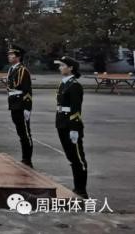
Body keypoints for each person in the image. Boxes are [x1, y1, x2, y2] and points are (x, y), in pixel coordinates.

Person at [54, 56, 89, 198]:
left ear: (71, 68)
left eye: (62, 65)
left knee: (78, 158)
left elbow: (76, 109)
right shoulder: (64, 84)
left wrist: (74, 129)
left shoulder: (75, 86)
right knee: (71, 157)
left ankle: (82, 190)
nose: (60, 68)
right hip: (62, 123)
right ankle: (77, 188)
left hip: (70, 125)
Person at [6, 46, 33, 168]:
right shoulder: (12, 69)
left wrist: (27, 108)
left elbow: (27, 91)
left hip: (21, 104)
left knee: (25, 133)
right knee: (20, 132)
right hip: (13, 103)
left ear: (18, 57)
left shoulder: (23, 70)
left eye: (12, 55)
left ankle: (27, 159)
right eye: (9, 54)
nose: (9, 56)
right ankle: (24, 157)